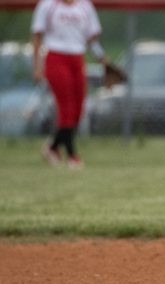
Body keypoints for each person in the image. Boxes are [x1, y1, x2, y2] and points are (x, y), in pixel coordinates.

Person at [31, 0, 108, 169]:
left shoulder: (85, 6)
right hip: (55, 57)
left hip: (77, 58)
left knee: (78, 110)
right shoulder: (48, 5)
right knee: (66, 108)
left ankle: (52, 148)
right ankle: (73, 156)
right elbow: (37, 37)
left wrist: (103, 60)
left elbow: (92, 40)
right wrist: (36, 66)